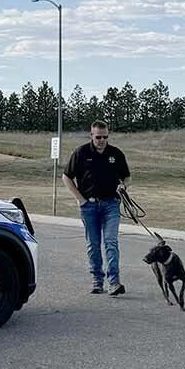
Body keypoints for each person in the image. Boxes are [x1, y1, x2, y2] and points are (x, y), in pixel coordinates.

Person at [63, 120, 130, 295]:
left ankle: (114, 282)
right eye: (98, 137)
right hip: (89, 206)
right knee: (93, 244)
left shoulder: (115, 154)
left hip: (111, 205)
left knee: (111, 242)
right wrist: (80, 199)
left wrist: (123, 186)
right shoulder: (81, 153)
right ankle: (97, 280)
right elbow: (66, 177)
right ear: (91, 135)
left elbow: (127, 177)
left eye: (105, 137)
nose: (102, 140)